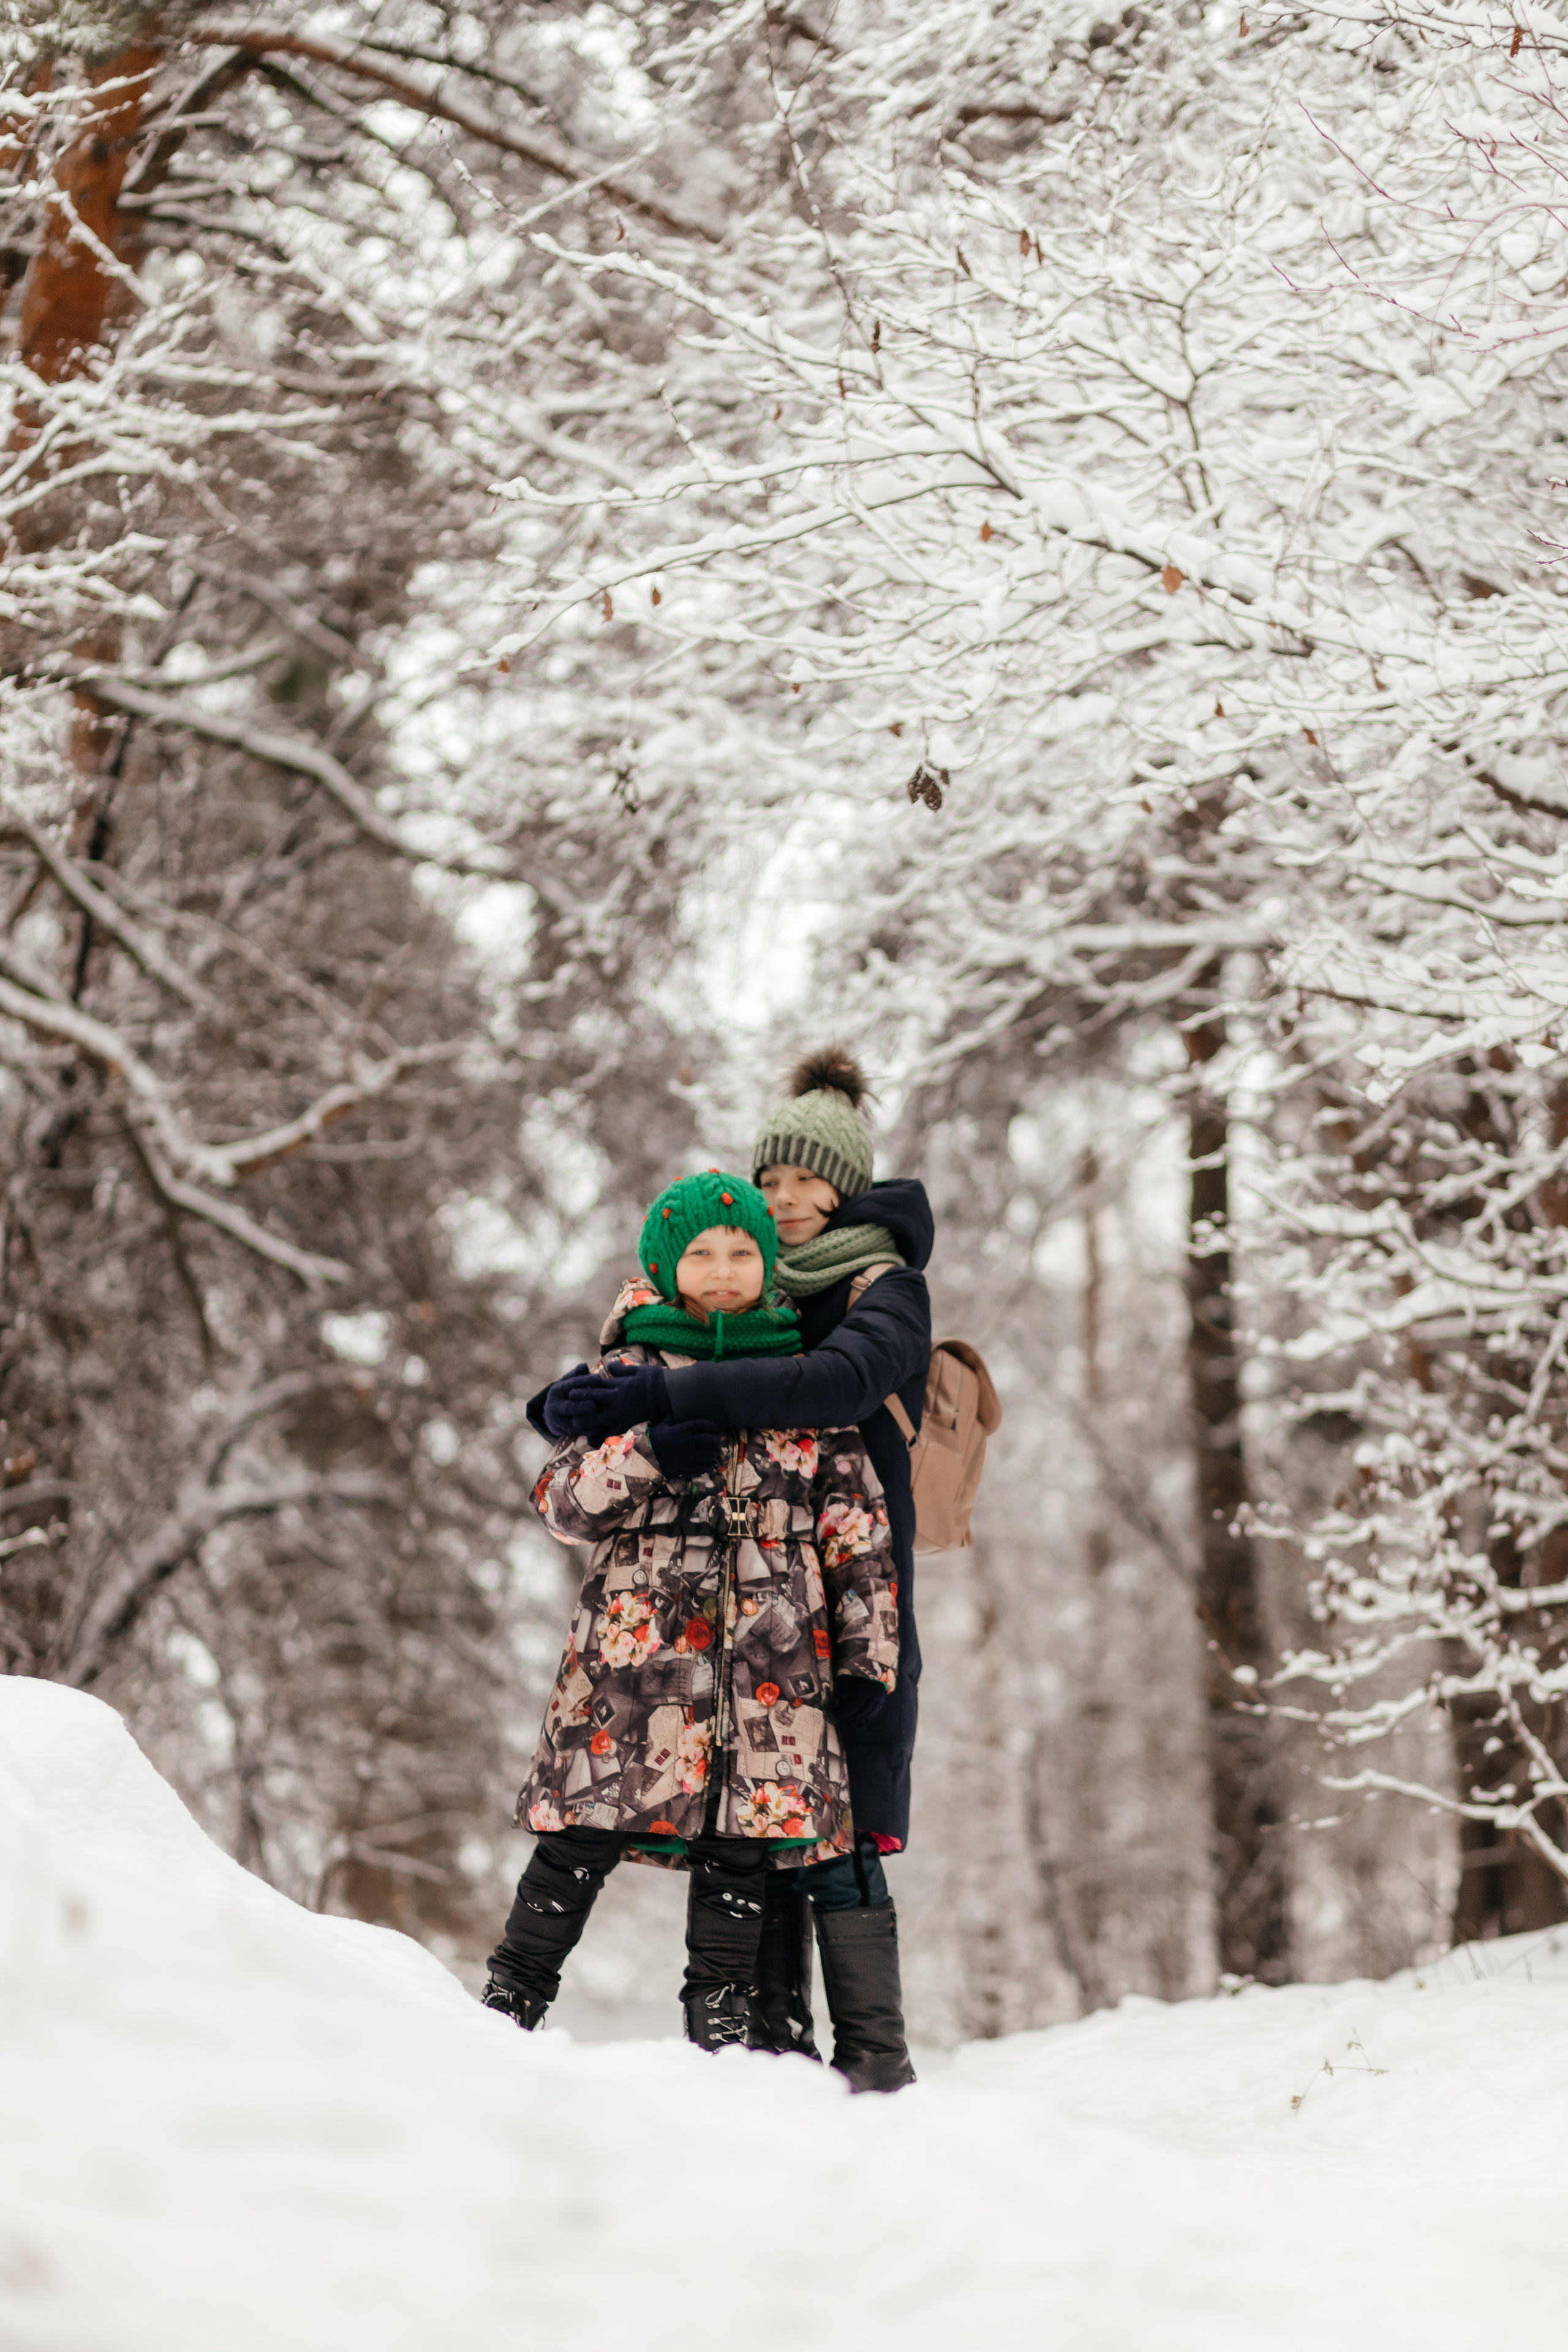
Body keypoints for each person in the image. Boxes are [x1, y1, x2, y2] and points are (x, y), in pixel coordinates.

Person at [536, 1049, 931, 2090]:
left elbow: (837, 1382)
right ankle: (771, 2045)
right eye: (775, 1181)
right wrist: (591, 1392)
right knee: (757, 1820)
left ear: (849, 1183)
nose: (791, 1200)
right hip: (720, 1628)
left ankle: (875, 2068)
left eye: (812, 1180)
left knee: (839, 1824)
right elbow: (597, 1417)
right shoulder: (732, 1282)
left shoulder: (879, 1283)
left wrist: (663, 1398)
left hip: (848, 1584)